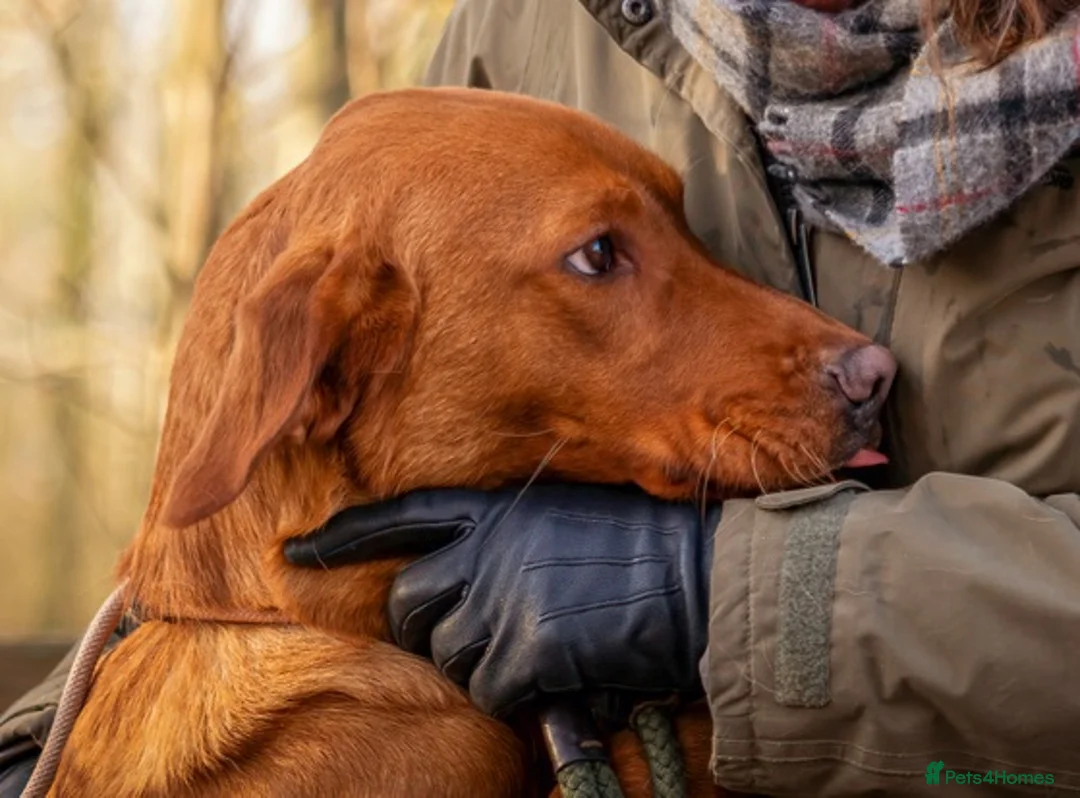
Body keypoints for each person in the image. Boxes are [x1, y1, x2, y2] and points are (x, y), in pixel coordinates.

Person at [4, 0, 1080, 794]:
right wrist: (46, 749)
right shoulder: (533, 27)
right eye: (600, 256)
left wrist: (737, 590)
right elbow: (253, 531)